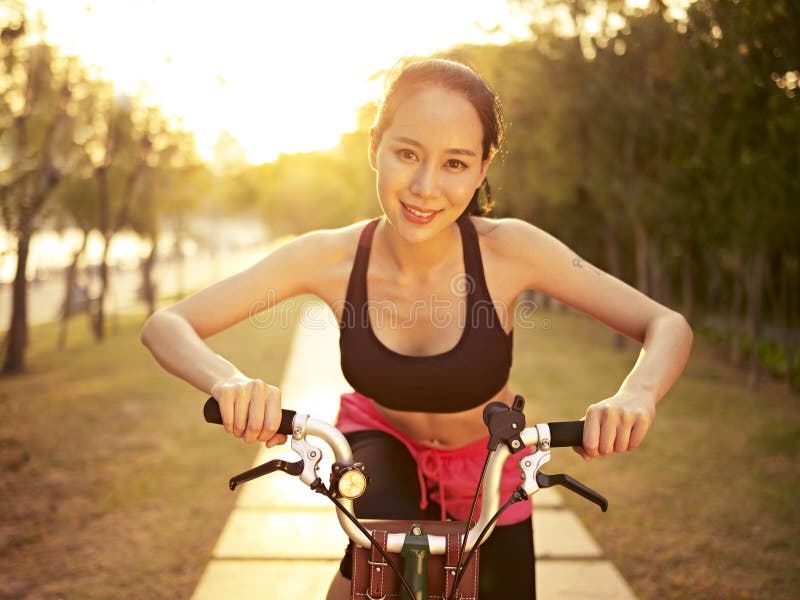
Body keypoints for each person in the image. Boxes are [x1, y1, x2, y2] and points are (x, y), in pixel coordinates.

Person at [140, 58, 693, 599]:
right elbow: (169, 325)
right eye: (408, 153)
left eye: (455, 163)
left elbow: (665, 324)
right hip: (380, 449)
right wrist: (229, 381)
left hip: (490, 468)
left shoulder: (511, 251)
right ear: (374, 148)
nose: (426, 187)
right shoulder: (327, 257)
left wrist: (637, 394)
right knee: (377, 575)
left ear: (481, 168)